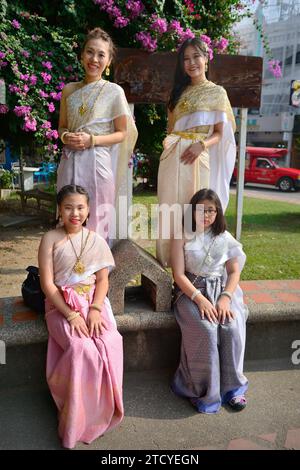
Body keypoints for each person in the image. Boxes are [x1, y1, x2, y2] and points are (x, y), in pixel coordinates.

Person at [38, 184, 123, 449]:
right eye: (68, 207)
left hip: (93, 304)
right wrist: (71, 315)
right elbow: (47, 285)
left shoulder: (95, 239)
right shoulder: (50, 238)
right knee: (81, 347)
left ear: (88, 210)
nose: (75, 213)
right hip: (61, 305)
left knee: (110, 342)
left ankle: (100, 410)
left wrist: (95, 309)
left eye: (80, 207)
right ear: (59, 210)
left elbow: (103, 282)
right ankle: (74, 414)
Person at [156, 37, 236, 267]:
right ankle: (169, 265)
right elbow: (171, 130)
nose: (191, 63)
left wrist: (201, 145)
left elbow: (221, 133)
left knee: (195, 211)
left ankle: (194, 267)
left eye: (196, 57)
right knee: (170, 209)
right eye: (186, 59)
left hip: (198, 157)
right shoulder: (177, 93)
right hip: (174, 158)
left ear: (206, 59)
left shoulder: (217, 93)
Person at [170, 188, 248, 414]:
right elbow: (178, 275)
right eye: (201, 210)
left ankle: (233, 389)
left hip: (219, 293)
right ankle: (201, 390)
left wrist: (225, 297)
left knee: (231, 327)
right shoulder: (182, 234)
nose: (206, 215)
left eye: (211, 210)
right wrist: (200, 299)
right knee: (206, 329)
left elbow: (233, 273)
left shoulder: (224, 237)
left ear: (218, 212)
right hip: (189, 293)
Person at [57, 27, 137, 243]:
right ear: (82, 55)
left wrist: (91, 140)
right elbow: (62, 127)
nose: (95, 59)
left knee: (96, 222)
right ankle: (68, 273)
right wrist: (66, 138)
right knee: (69, 218)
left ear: (109, 61)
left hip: (98, 163)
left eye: (101, 54)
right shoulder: (69, 90)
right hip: (69, 161)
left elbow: (122, 133)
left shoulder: (114, 92)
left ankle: (97, 275)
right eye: (90, 52)